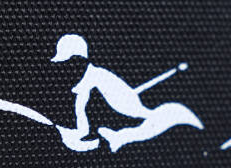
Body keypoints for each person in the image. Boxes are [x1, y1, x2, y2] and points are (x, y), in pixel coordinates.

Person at [51, 33, 203, 151]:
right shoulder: (91, 76)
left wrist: (80, 132)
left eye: (69, 62)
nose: (67, 68)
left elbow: (81, 107)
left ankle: (120, 137)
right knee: (144, 117)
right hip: (124, 110)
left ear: (78, 59)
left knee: (144, 117)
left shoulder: (93, 77)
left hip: (127, 107)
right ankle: (121, 136)